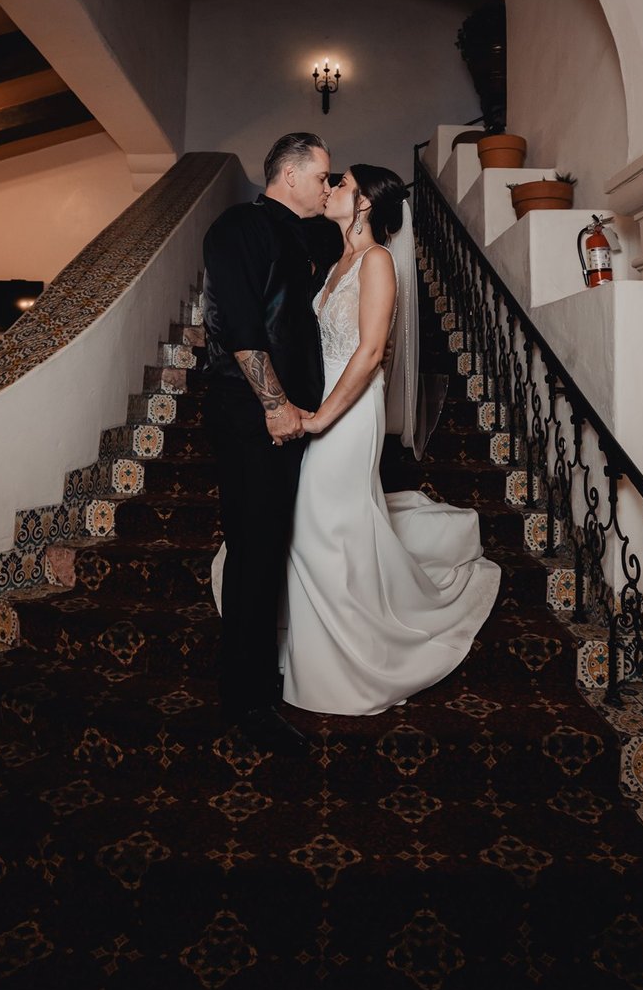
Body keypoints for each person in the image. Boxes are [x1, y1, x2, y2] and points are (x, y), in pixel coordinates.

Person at [281, 164, 501, 716]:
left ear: (365, 206)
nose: (330, 188)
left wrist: (322, 418)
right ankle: (320, 655)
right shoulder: (339, 263)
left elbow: (372, 351)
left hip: (350, 414)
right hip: (327, 402)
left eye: (342, 183)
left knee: (322, 527)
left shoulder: (376, 262)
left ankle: (354, 663)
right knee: (320, 528)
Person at [201, 132, 331, 752]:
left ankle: (252, 676)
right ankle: (247, 703)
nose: (328, 187)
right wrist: (276, 406)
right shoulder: (237, 227)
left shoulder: (308, 235)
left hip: (292, 418)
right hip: (252, 415)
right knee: (253, 550)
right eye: (322, 177)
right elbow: (240, 328)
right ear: (288, 174)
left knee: (270, 547)